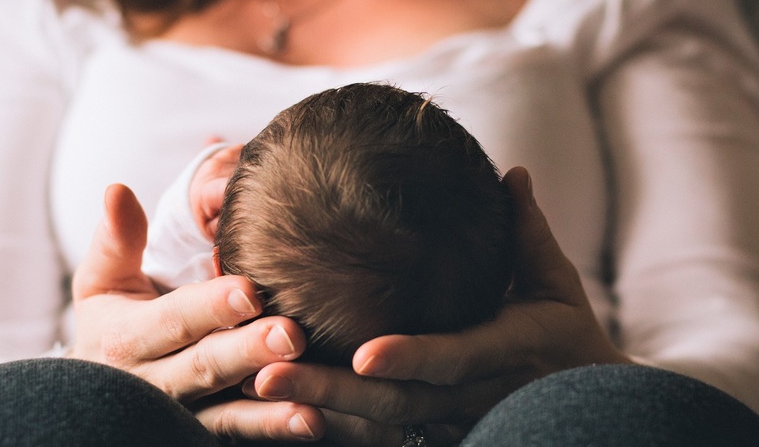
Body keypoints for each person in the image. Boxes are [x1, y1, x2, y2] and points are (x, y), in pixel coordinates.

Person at [0, 0, 759, 445]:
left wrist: (580, 380)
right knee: (27, 417)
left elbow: (740, 345)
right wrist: (103, 377)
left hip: (512, 429)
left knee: (621, 422)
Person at [142, 82, 515, 367]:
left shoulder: (200, 351)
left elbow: (162, 266)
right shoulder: (483, 366)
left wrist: (193, 190)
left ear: (221, 279)